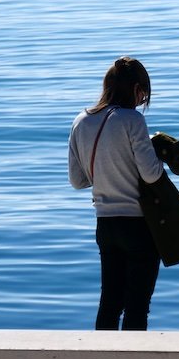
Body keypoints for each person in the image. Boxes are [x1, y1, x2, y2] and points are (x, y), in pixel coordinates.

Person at [68, 57, 163, 330]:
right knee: (137, 306)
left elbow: (77, 180)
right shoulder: (132, 120)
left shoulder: (80, 121)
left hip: (105, 225)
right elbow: (151, 174)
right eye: (143, 93)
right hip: (138, 225)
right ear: (135, 88)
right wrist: (159, 156)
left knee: (109, 302)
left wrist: (107, 170)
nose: (143, 99)